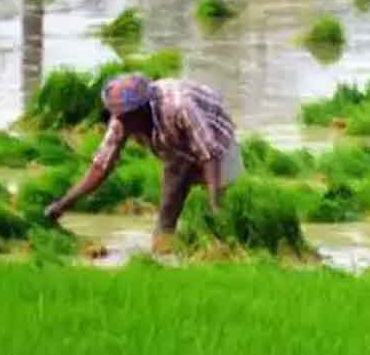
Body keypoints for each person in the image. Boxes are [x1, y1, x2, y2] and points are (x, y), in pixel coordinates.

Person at [44, 73, 245, 244]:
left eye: (126, 116)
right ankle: (164, 241)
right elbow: (101, 167)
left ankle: (227, 236)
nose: (120, 121)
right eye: (117, 115)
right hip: (173, 142)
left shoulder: (179, 106)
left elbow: (209, 154)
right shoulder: (123, 119)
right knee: (174, 182)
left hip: (213, 131)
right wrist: (62, 205)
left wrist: (215, 205)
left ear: (143, 108)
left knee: (223, 196)